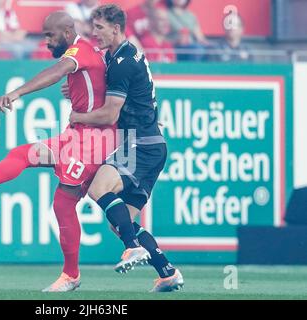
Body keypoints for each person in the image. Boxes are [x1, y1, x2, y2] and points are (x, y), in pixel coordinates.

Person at [0, 11, 116, 292]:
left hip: (94, 141)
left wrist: (17, 92)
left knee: (65, 202)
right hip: (76, 136)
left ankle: (74, 274)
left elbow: (55, 72)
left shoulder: (79, 51)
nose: (46, 42)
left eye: (50, 36)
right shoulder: (86, 54)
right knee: (23, 155)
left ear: (67, 33)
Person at [70, 4, 184, 292]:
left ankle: (133, 248)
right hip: (152, 145)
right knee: (121, 222)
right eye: (93, 27)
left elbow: (109, 114)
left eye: (99, 28)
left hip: (139, 144)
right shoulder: (120, 55)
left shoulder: (123, 63)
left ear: (116, 28)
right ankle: (167, 272)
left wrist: (78, 116)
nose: (94, 33)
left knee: (98, 189)